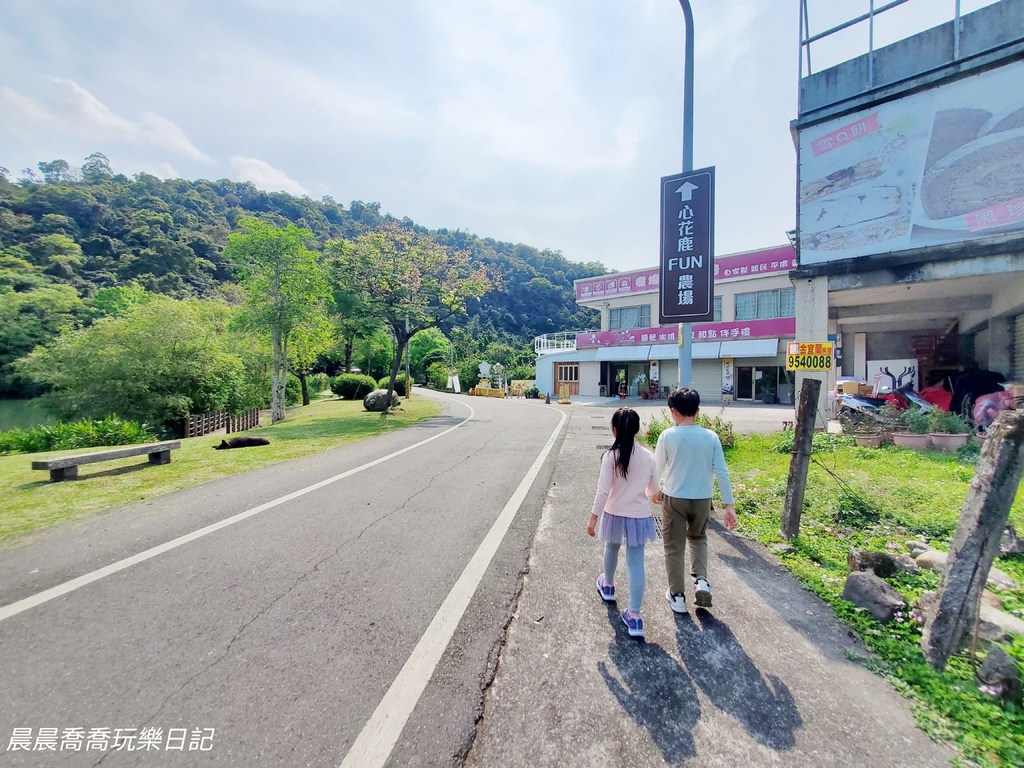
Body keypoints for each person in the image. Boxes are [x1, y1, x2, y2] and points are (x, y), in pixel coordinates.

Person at [652, 387, 737, 614]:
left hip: (674, 498)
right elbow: (722, 472)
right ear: (697, 411)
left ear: (673, 412)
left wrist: (651, 491)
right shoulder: (711, 437)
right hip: (702, 498)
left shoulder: (668, 436)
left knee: (673, 547)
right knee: (698, 538)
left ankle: (677, 595)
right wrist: (729, 505)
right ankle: (701, 581)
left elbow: (656, 468)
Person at [587, 407, 659, 638]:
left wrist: (593, 518)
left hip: (614, 512)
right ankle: (635, 616)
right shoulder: (648, 456)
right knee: (636, 562)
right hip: (639, 514)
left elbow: (602, 491)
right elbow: (653, 490)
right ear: (637, 430)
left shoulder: (610, 456)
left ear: (614, 430)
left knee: (611, 548)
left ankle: (607, 585)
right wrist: (648, 494)